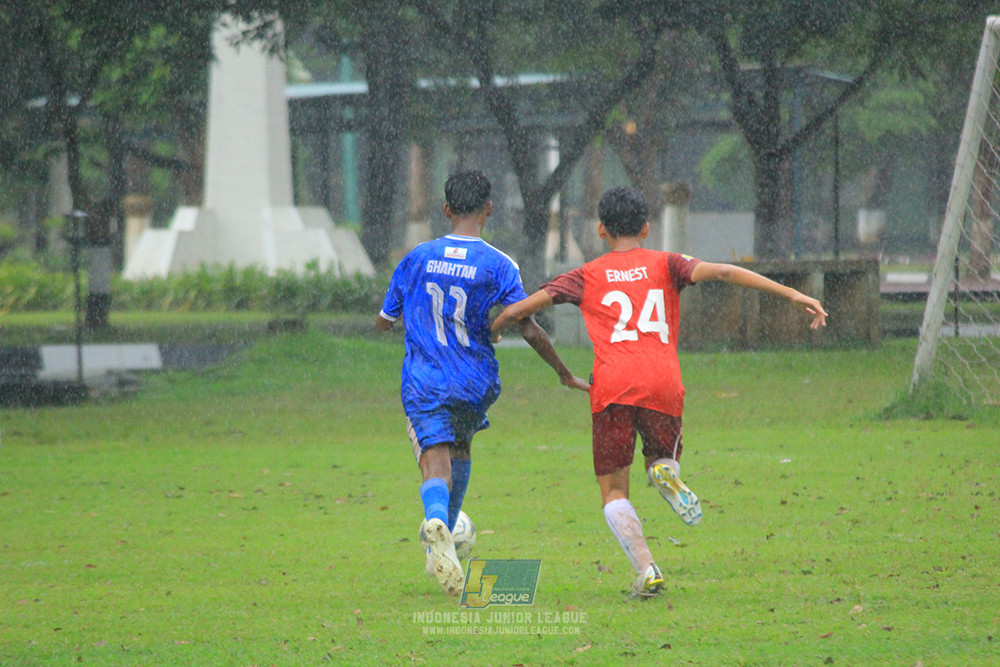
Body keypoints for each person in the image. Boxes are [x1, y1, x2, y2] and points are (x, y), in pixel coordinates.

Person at [491, 186, 827, 597]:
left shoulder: (586, 275)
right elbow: (723, 272)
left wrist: (492, 330)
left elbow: (518, 311)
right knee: (661, 457)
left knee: (614, 491)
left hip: (613, 387)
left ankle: (647, 569)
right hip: (663, 383)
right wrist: (793, 294)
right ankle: (664, 472)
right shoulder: (668, 263)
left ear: (601, 230)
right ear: (647, 228)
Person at [376, 170, 588, 597]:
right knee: (461, 448)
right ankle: (445, 543)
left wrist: (413, 319)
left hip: (426, 380)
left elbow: (384, 321)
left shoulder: (417, 258)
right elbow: (528, 328)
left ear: (446, 210)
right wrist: (562, 372)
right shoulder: (498, 264)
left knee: (434, 458)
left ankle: (438, 520)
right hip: (474, 380)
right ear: (489, 209)